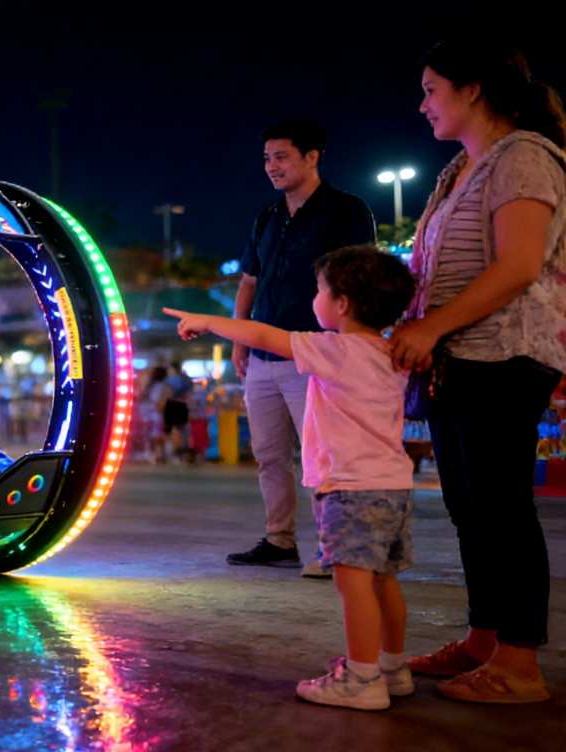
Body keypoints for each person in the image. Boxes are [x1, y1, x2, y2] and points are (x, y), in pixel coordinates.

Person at [167, 245, 418, 710]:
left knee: (353, 583)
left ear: (342, 304)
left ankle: (362, 680)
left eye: (320, 290)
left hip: (350, 487)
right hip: (393, 484)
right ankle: (391, 667)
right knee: (384, 581)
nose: (314, 298)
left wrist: (208, 321)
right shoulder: (392, 352)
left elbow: (266, 335)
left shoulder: (335, 348)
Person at [391, 40, 566, 704]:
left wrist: (432, 326)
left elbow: (519, 265)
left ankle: (520, 663)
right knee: (470, 506)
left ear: (472, 91)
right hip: (457, 360)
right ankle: (485, 638)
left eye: (432, 89)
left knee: (502, 507)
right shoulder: (457, 170)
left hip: (507, 352)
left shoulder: (522, 158)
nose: (422, 103)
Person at [229, 119, 376, 576]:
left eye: (282, 156)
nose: (272, 167)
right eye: (267, 158)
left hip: (314, 352)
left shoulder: (346, 211)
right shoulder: (267, 217)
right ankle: (279, 540)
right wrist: (239, 335)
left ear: (313, 157)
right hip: (263, 355)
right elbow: (250, 279)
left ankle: (335, 548)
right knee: (269, 455)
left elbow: (361, 277)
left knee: (320, 454)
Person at [163, 363, 194, 461]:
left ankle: (175, 451)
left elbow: (168, 393)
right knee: (183, 429)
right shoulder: (186, 380)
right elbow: (189, 394)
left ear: (173, 369)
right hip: (183, 405)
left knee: (173, 429)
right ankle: (185, 451)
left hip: (172, 405)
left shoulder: (170, 380)